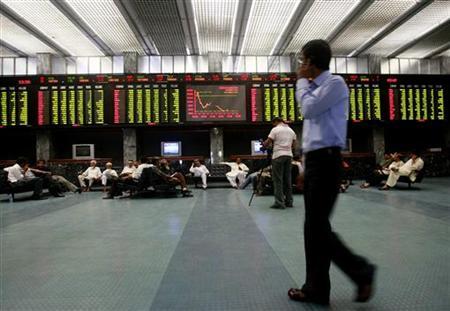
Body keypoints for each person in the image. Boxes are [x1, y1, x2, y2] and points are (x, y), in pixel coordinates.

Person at [288, 40, 376, 305]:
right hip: (315, 162)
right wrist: (303, 166)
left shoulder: (334, 84)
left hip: (327, 161)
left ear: (312, 62)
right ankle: (317, 289)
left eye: (302, 60)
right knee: (314, 228)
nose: (300, 66)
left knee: (316, 228)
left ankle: (361, 271)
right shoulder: (315, 88)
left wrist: (301, 83)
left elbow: (309, 109)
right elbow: (312, 134)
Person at [262, 117, 297, 209]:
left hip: (278, 155)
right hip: (289, 156)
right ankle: (289, 202)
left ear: (276, 122)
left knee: (278, 180)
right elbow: (294, 145)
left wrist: (263, 145)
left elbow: (268, 142)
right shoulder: (291, 131)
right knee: (288, 179)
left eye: (273, 123)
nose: (273, 125)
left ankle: (279, 202)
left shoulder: (275, 129)